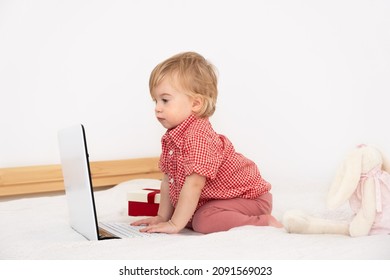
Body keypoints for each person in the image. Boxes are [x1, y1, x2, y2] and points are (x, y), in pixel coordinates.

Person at [131, 51, 282, 234]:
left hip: (251, 199)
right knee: (193, 215)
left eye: (165, 100)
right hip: (222, 199)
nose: (157, 108)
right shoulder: (172, 137)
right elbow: (167, 181)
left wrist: (174, 224)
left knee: (203, 220)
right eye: (155, 100)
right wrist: (163, 218)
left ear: (195, 104)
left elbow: (194, 184)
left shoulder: (197, 136)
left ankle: (264, 222)